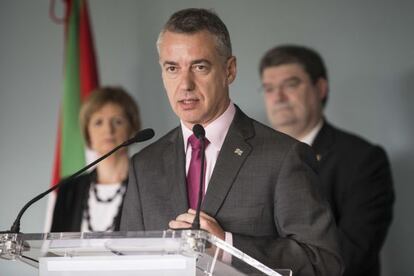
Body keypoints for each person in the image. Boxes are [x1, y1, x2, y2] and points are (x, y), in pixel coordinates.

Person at [120, 8, 343, 275]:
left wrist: (226, 247)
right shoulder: (144, 165)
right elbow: (128, 263)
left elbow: (323, 261)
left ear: (229, 70)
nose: (185, 84)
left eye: (199, 67)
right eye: (172, 68)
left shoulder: (283, 156)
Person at [259, 45, 394, 276]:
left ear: (320, 88)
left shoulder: (364, 160)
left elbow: (351, 254)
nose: (278, 97)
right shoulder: (255, 157)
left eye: (290, 85)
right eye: (269, 88)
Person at [51, 86, 141, 232]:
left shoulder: (145, 186)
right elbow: (54, 248)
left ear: (132, 128)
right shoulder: (68, 190)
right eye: (98, 122)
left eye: (117, 121)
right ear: (88, 133)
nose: (108, 130)